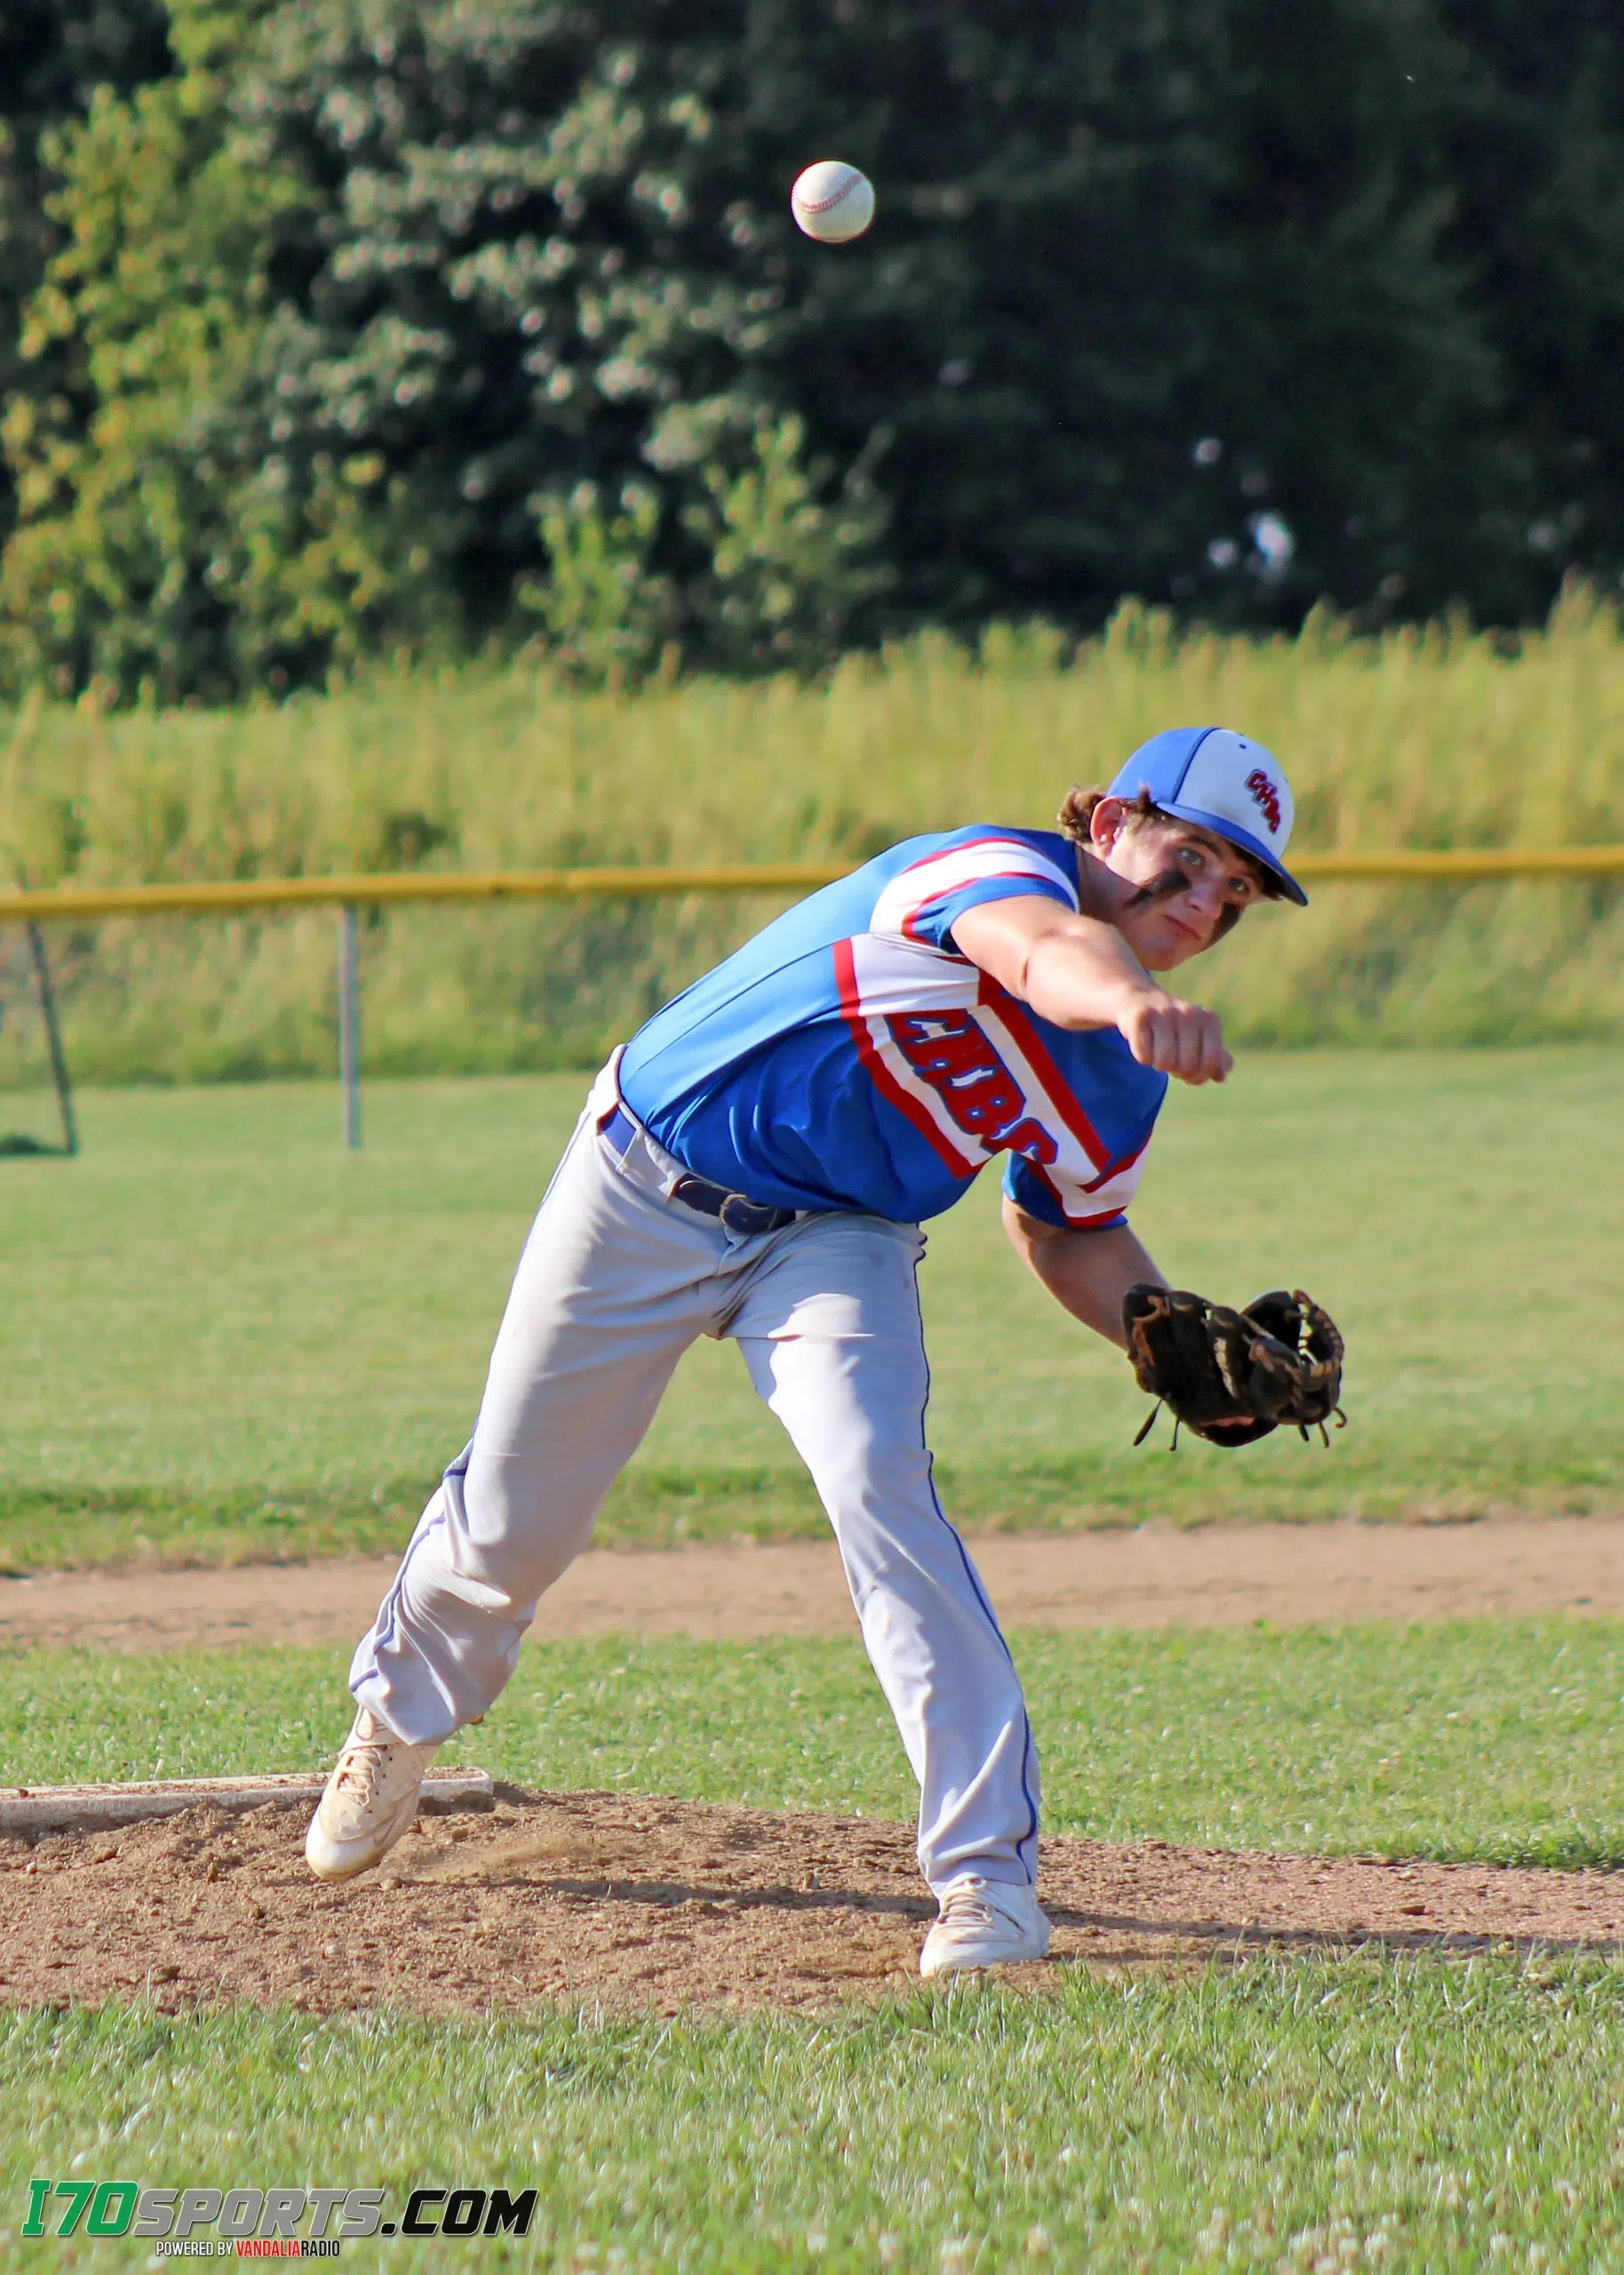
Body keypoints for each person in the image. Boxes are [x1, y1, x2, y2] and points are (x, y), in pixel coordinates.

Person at [305, 725, 1309, 1976]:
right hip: (645, 1183)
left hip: (840, 1237)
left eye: (1238, 891)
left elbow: (1067, 1229)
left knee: (883, 1487)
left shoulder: (1121, 1076)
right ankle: (398, 1719)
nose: (1206, 901)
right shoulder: (993, 873)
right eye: (1191, 856)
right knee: (517, 1518)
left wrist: (1163, 1338)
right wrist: (1134, 999)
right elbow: (1046, 953)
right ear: (1109, 823)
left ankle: (986, 1882)